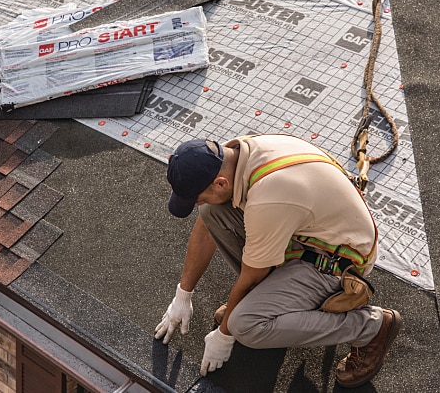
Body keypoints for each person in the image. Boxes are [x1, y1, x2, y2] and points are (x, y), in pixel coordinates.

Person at [154, 134, 402, 388]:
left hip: (337, 261)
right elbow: (206, 225)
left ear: (219, 183)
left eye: (200, 196)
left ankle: (371, 327)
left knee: (245, 324)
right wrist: (183, 295)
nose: (198, 203)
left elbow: (252, 276)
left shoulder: (269, 197)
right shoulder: (234, 152)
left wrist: (225, 334)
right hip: (308, 233)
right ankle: (272, 302)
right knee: (212, 212)